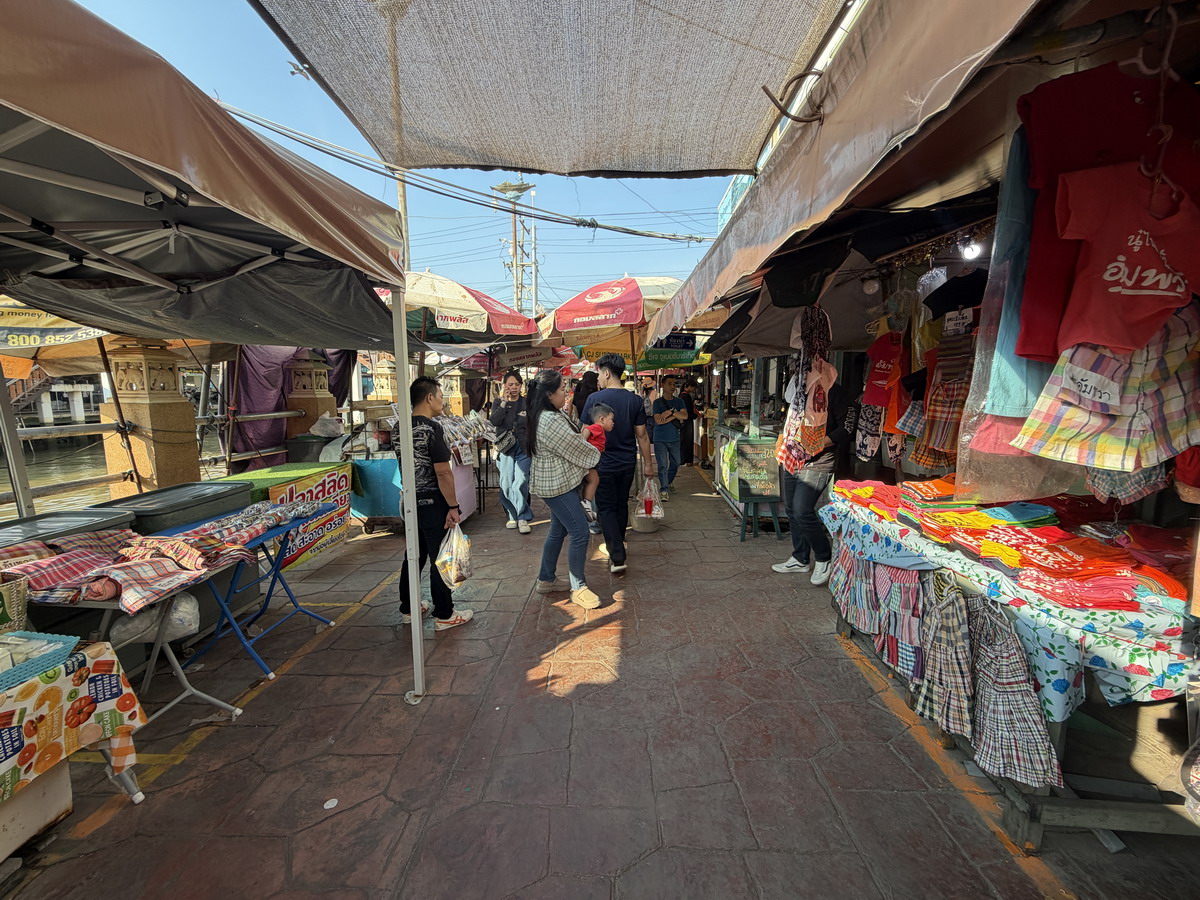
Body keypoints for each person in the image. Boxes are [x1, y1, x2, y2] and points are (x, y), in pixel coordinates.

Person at [398, 376, 474, 631]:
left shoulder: (400, 426)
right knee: (440, 557)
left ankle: (409, 608)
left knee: (413, 555)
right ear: (429, 397)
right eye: (441, 395)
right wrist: (453, 506)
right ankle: (444, 614)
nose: (443, 400)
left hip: (409, 501)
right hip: (432, 502)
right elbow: (443, 472)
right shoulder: (432, 428)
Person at [527, 369, 602, 609]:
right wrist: (596, 452)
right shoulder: (550, 420)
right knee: (580, 531)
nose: (566, 394)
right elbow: (577, 448)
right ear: (549, 394)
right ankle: (578, 587)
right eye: (562, 390)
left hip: (558, 482)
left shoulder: (548, 414)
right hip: (557, 485)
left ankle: (546, 579)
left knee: (558, 531)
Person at [772, 380, 857, 586]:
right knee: (791, 509)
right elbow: (789, 421)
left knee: (802, 510)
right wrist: (781, 442)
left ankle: (823, 557)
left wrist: (818, 444)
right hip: (792, 458)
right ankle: (800, 557)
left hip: (819, 461)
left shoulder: (835, 393)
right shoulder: (799, 392)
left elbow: (847, 427)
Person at [582, 354, 657, 574]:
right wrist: (648, 464)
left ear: (606, 373)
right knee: (620, 503)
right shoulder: (634, 400)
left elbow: (584, 435)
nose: (599, 378)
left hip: (601, 463)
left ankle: (617, 556)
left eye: (599, 373)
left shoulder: (594, 399)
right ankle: (619, 541)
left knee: (605, 507)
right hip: (626, 463)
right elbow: (642, 435)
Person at [489, 370, 533, 534]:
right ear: (504, 386)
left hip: (524, 447)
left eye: (517, 384)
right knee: (506, 483)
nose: (514, 387)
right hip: (506, 448)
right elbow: (494, 421)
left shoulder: (527, 403)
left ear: (521, 385)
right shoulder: (498, 402)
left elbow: (533, 424)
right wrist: (503, 403)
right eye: (510, 384)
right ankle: (512, 515)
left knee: (520, 481)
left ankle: (523, 516)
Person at [651, 375, 687, 500]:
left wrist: (670, 413)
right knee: (662, 465)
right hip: (660, 438)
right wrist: (676, 416)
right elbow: (658, 421)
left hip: (674, 438)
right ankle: (664, 489)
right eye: (669, 384)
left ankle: (669, 481)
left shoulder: (679, 401)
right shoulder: (657, 402)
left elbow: (685, 416)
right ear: (663, 385)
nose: (672, 386)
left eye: (674, 384)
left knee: (676, 463)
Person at [579, 402, 614, 522]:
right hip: (588, 461)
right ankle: (586, 503)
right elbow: (587, 430)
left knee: (594, 480)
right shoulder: (597, 427)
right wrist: (582, 443)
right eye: (611, 420)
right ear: (602, 419)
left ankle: (587, 503)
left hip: (592, 461)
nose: (613, 423)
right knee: (594, 480)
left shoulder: (600, 430)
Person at [679, 382, 698, 466]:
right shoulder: (685, 396)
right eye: (693, 387)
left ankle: (684, 460)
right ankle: (685, 460)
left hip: (684, 420)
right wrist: (695, 415)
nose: (694, 389)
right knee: (687, 440)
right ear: (689, 386)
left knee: (684, 441)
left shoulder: (682, 395)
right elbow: (687, 410)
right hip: (687, 421)